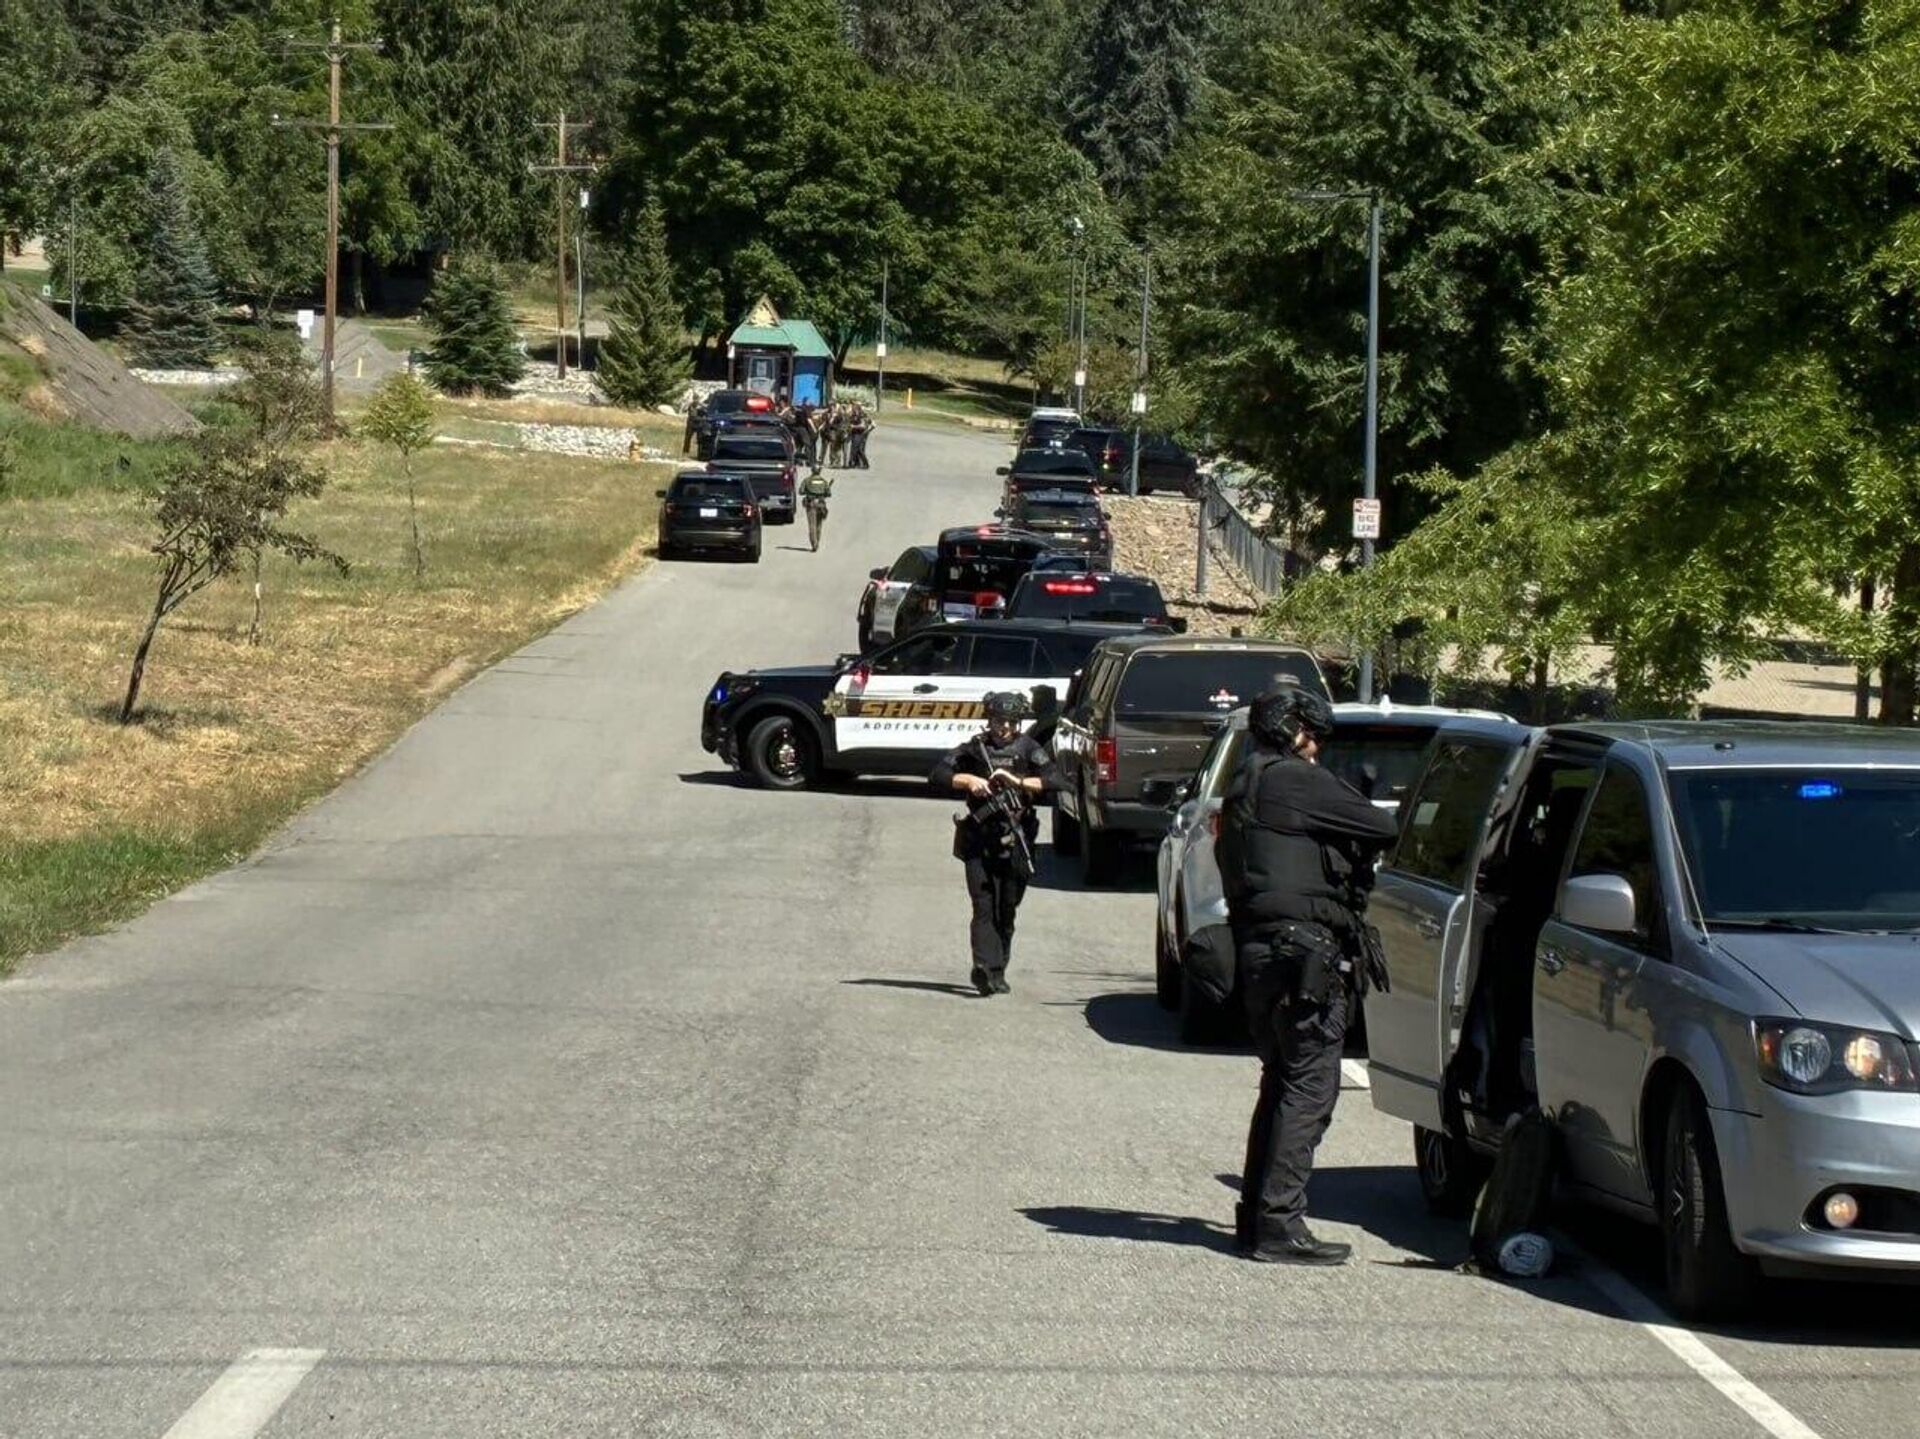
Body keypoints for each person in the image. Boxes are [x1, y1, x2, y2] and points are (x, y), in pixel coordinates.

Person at [1217, 687, 1398, 1265]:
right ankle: (1278, 1225)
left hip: (1260, 951)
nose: (1317, 748)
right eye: (1315, 737)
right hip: (1304, 954)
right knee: (1310, 1089)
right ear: (1296, 730)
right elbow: (1382, 827)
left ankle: (1257, 1218)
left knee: (1282, 1083)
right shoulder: (1295, 777)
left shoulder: (1247, 779)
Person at [929, 692, 1056, 997]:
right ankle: (984, 968)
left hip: (1016, 839)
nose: (1004, 728)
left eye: (1010, 722)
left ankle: (998, 969)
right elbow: (938, 773)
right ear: (989, 720)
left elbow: (1054, 780)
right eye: (999, 721)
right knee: (983, 905)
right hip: (978, 839)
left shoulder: (1029, 749)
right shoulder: (974, 750)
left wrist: (1017, 782)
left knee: (1006, 908)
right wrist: (969, 781)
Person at [849, 403, 873, 468]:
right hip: (854, 433)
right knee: (854, 448)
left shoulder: (862, 415)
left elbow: (863, 426)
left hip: (860, 434)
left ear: (857, 409)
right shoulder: (853, 415)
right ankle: (856, 463)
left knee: (859, 449)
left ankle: (865, 463)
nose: (853, 409)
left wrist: (854, 426)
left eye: (854, 408)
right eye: (852, 408)